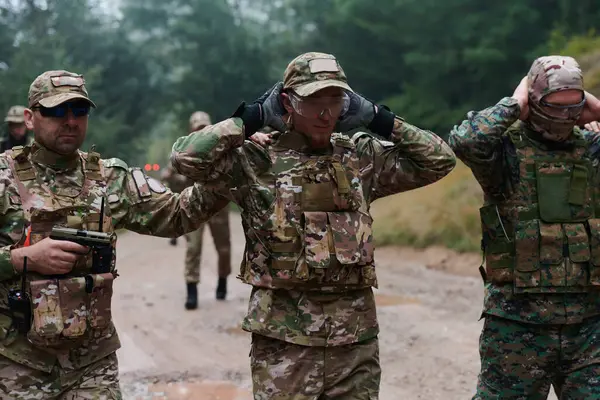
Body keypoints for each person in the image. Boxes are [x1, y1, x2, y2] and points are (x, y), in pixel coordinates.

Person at [171, 52, 456, 399]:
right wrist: (251, 119)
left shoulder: (360, 158)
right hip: (285, 348)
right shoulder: (257, 161)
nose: (325, 113)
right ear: (287, 102)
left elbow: (440, 160)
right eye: (313, 101)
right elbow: (185, 158)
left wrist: (381, 120)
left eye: (335, 100)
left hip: (354, 347)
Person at [0, 70, 228, 399]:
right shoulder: (5, 177)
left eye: (79, 111)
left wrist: (227, 172)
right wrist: (23, 258)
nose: (69, 121)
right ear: (30, 117)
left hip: (92, 364)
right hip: (18, 363)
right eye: (55, 111)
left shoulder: (110, 179)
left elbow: (178, 215)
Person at [448, 55, 600, 399]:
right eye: (554, 106)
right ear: (533, 101)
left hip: (589, 326)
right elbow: (465, 141)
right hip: (517, 326)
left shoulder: (591, 149)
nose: (565, 117)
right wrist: (514, 104)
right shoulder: (505, 154)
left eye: (573, 106)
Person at [162, 111, 232, 308]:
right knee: (193, 248)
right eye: (197, 128)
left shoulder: (223, 148)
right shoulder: (186, 150)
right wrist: (175, 177)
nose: (201, 131)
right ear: (191, 130)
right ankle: (191, 290)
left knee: (224, 247)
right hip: (195, 204)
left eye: (204, 127)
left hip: (219, 204)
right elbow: (171, 173)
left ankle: (222, 281)